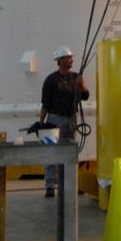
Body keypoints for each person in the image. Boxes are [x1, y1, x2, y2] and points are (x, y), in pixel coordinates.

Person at [38, 46, 88, 198]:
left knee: (69, 152)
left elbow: (85, 95)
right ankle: (49, 186)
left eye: (71, 57)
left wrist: (81, 84)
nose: (71, 60)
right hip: (55, 118)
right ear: (60, 61)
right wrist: (41, 123)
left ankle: (66, 184)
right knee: (52, 151)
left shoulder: (76, 78)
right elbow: (45, 104)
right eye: (68, 58)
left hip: (71, 118)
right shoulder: (51, 80)